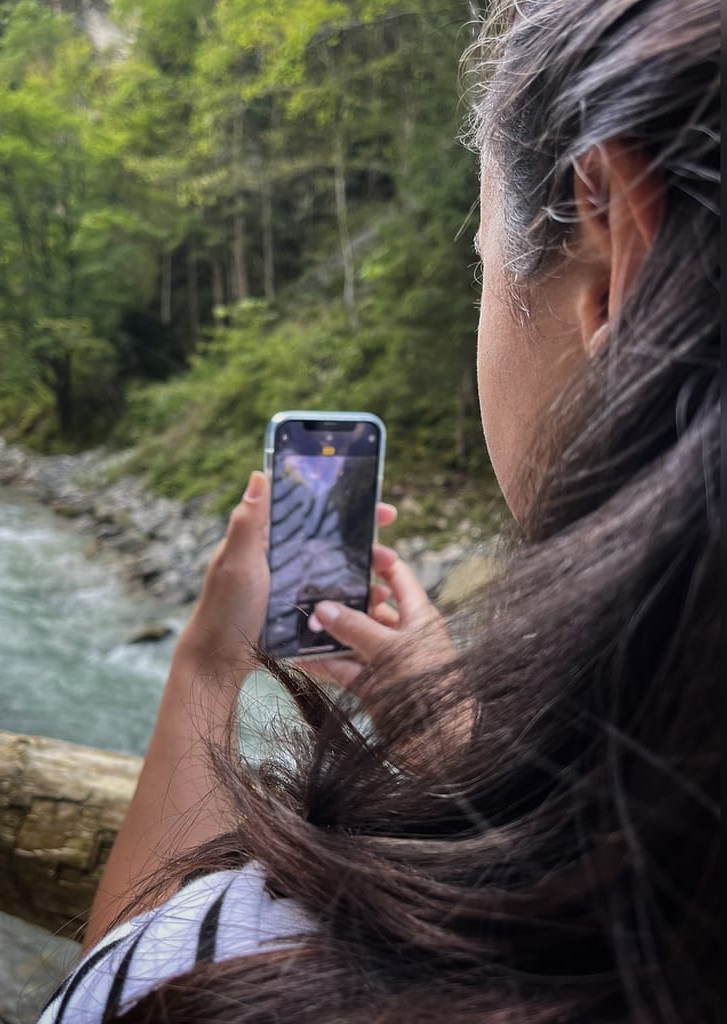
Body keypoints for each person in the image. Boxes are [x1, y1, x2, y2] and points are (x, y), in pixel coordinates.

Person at [39, 0, 720, 1020]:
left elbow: (123, 988)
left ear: (615, 247)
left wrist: (210, 668)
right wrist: (462, 738)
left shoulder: (257, 966)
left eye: (483, 257)